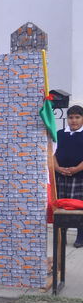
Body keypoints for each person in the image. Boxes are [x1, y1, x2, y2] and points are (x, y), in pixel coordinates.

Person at [54, 104, 83, 247]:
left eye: (77, 117)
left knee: (79, 206)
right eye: (71, 117)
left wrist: (77, 168)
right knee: (62, 206)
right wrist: (58, 168)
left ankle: (81, 236)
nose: (74, 121)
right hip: (61, 176)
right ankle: (62, 235)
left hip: (79, 177)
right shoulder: (60, 133)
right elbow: (52, 152)